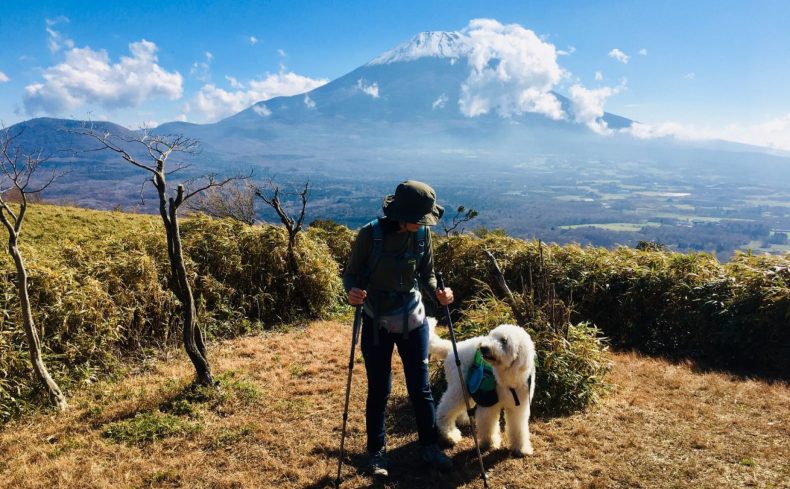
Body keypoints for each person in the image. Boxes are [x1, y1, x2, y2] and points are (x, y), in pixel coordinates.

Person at [343, 180, 455, 478]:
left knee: (420, 387)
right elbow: (351, 274)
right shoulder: (370, 234)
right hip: (376, 321)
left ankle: (430, 446)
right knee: (380, 389)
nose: (422, 225)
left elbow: (427, 275)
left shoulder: (422, 236)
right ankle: (376, 453)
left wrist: (440, 294)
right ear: (400, 215)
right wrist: (352, 291)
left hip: (413, 320)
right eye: (418, 220)